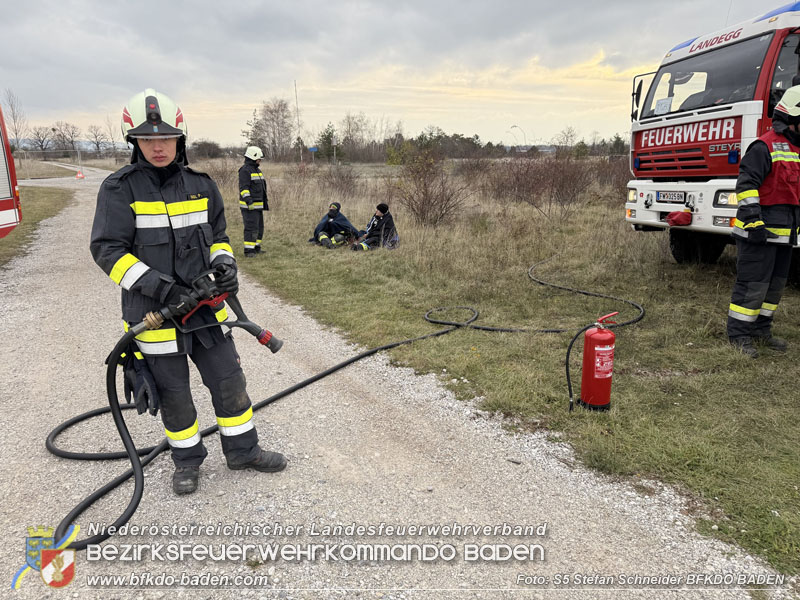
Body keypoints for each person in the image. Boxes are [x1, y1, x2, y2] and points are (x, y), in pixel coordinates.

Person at [90, 88, 287, 495]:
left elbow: (218, 235)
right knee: (174, 393)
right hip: (153, 314)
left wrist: (225, 264)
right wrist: (161, 289)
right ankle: (187, 462)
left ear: (180, 138)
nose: (158, 146)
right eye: (148, 139)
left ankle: (243, 451)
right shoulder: (119, 189)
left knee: (229, 379)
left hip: (204, 308)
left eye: (166, 138)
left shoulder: (201, 184)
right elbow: (107, 251)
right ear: (135, 142)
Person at [727, 85, 800, 358]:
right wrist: (753, 222)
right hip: (759, 232)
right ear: (792, 119)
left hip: (785, 236)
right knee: (752, 285)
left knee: (774, 287)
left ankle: (761, 331)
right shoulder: (764, 146)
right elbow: (746, 186)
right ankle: (739, 334)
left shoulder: (797, 149)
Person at [239, 146, 269, 257]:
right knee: (251, 228)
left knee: (259, 228)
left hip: (258, 206)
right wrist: (249, 201)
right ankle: (249, 251)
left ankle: (256, 247)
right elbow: (244, 188)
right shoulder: (245, 170)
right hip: (250, 206)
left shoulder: (257, 170)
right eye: (259, 159)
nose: (260, 161)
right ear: (253, 157)